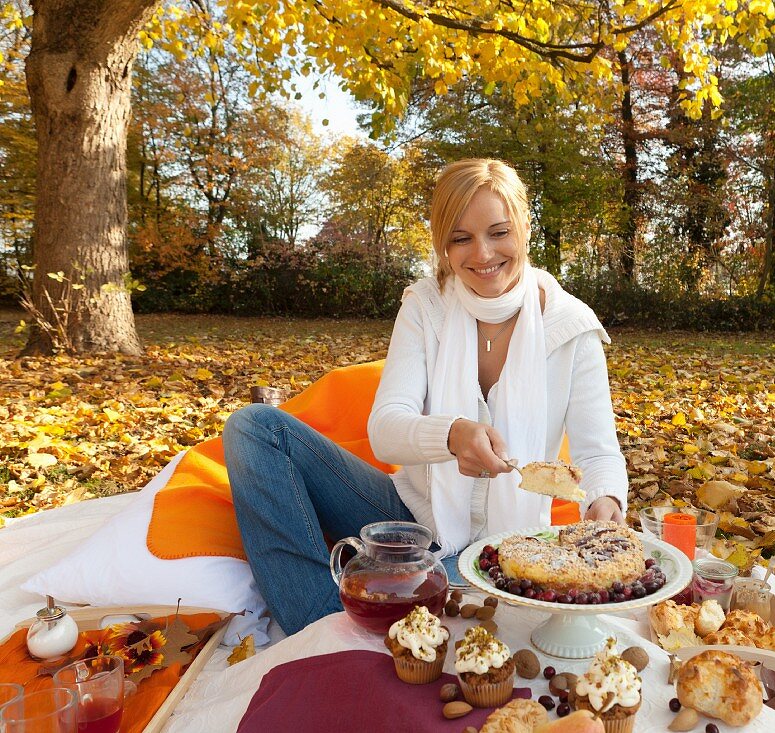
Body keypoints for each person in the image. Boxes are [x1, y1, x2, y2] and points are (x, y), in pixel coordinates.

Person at [223, 159, 627, 636]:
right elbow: (386, 430)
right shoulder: (425, 306)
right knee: (254, 428)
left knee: (466, 611)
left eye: (499, 232)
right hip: (409, 518)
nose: (483, 254)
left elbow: (597, 452)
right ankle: (319, 625)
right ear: (443, 245)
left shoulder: (571, 327)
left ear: (524, 227)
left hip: (511, 549)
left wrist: (606, 506)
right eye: (461, 238)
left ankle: (404, 605)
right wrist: (452, 436)